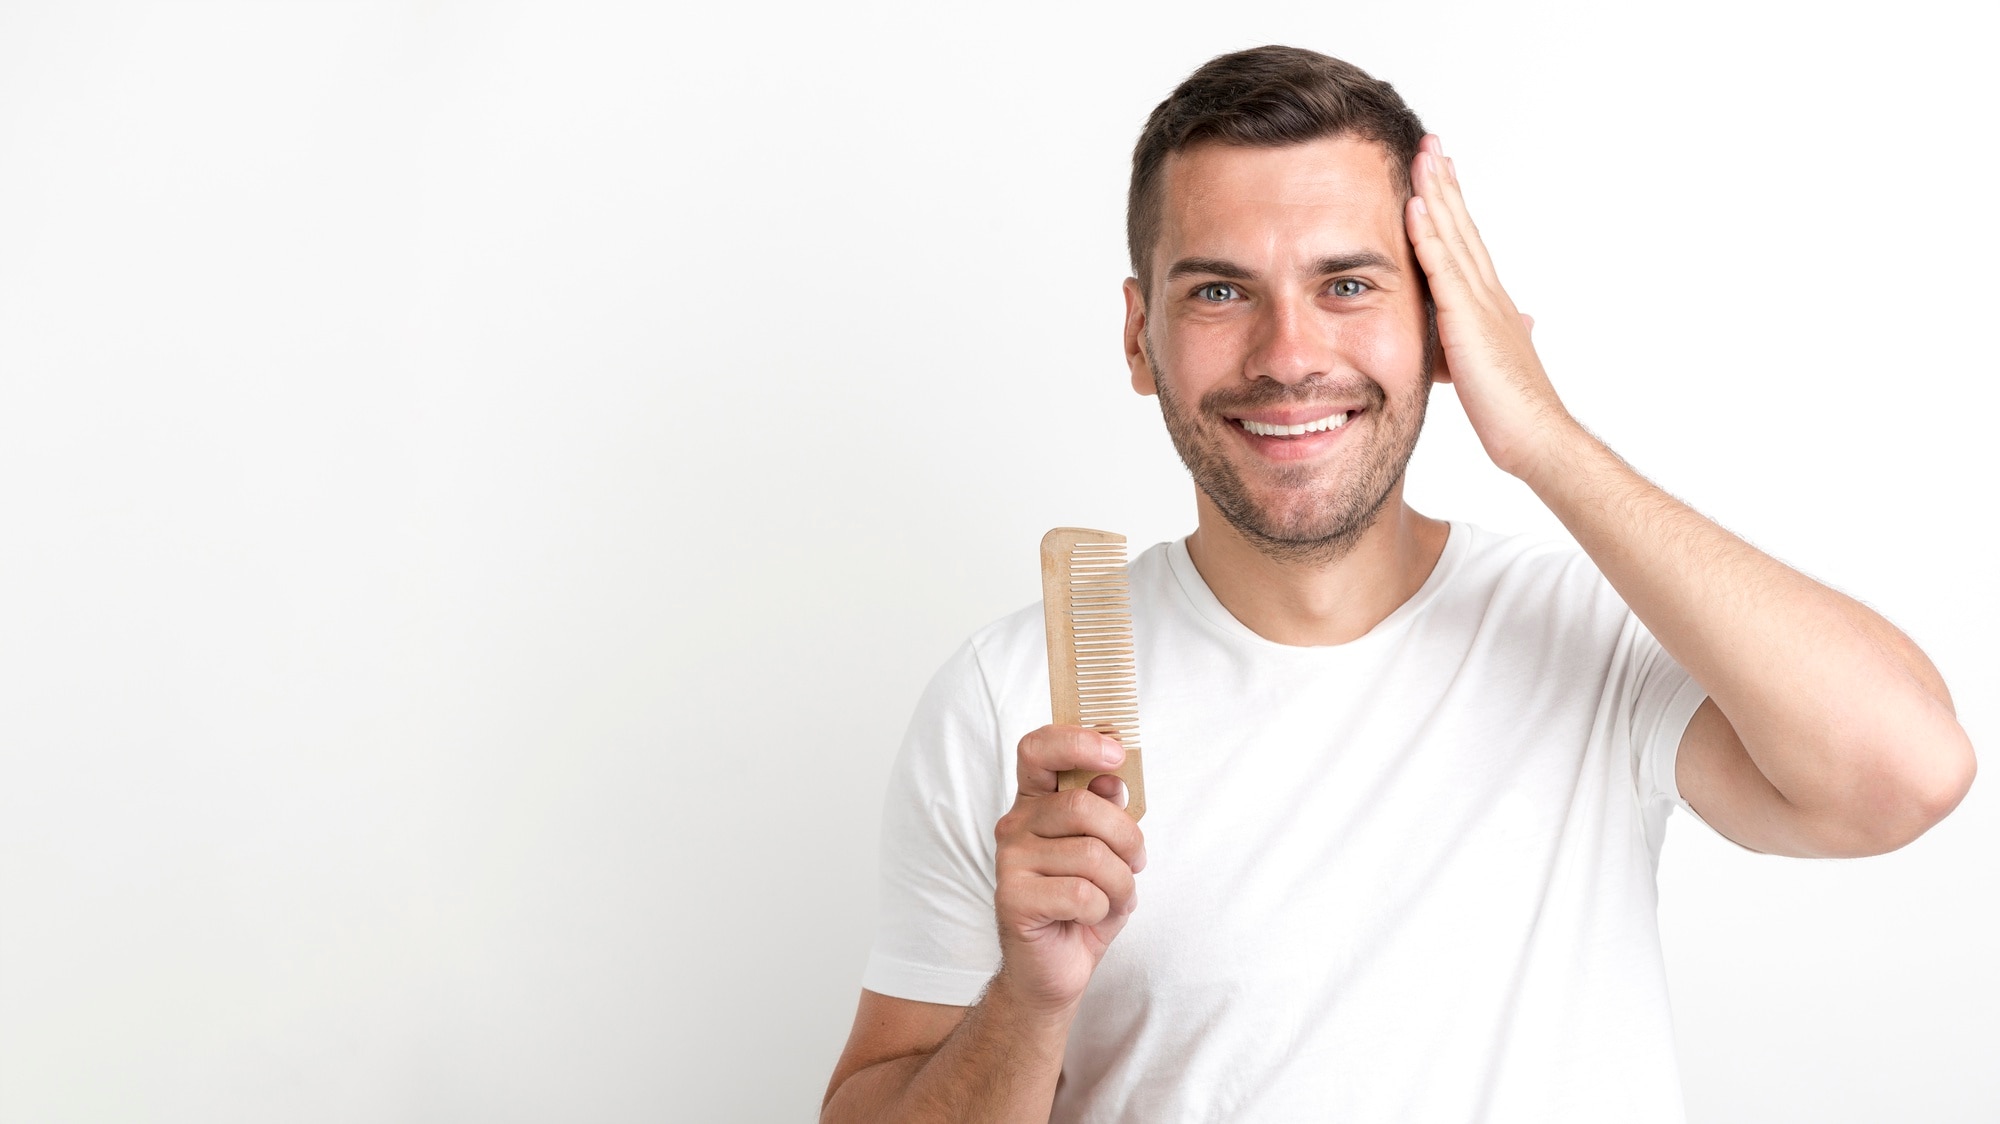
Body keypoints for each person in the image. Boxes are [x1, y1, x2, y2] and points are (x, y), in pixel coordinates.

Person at [818, 45, 1975, 1122]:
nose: (1285, 353)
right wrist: (1030, 995)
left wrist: (1541, 432)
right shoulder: (1009, 696)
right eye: (1219, 291)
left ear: (1439, 322)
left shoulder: (1587, 636)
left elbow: (1905, 772)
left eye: (1348, 284)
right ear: (1138, 337)